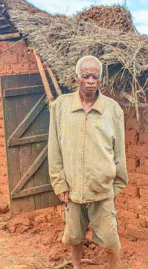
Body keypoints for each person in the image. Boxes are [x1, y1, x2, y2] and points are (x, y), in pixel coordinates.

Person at [48, 55, 128, 269]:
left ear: (101, 80)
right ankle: (76, 267)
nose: (91, 81)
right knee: (74, 236)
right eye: (86, 76)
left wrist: (115, 187)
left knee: (110, 240)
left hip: (102, 190)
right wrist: (59, 183)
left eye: (95, 76)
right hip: (73, 190)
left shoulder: (112, 110)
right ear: (77, 78)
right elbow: (54, 149)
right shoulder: (61, 108)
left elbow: (119, 152)